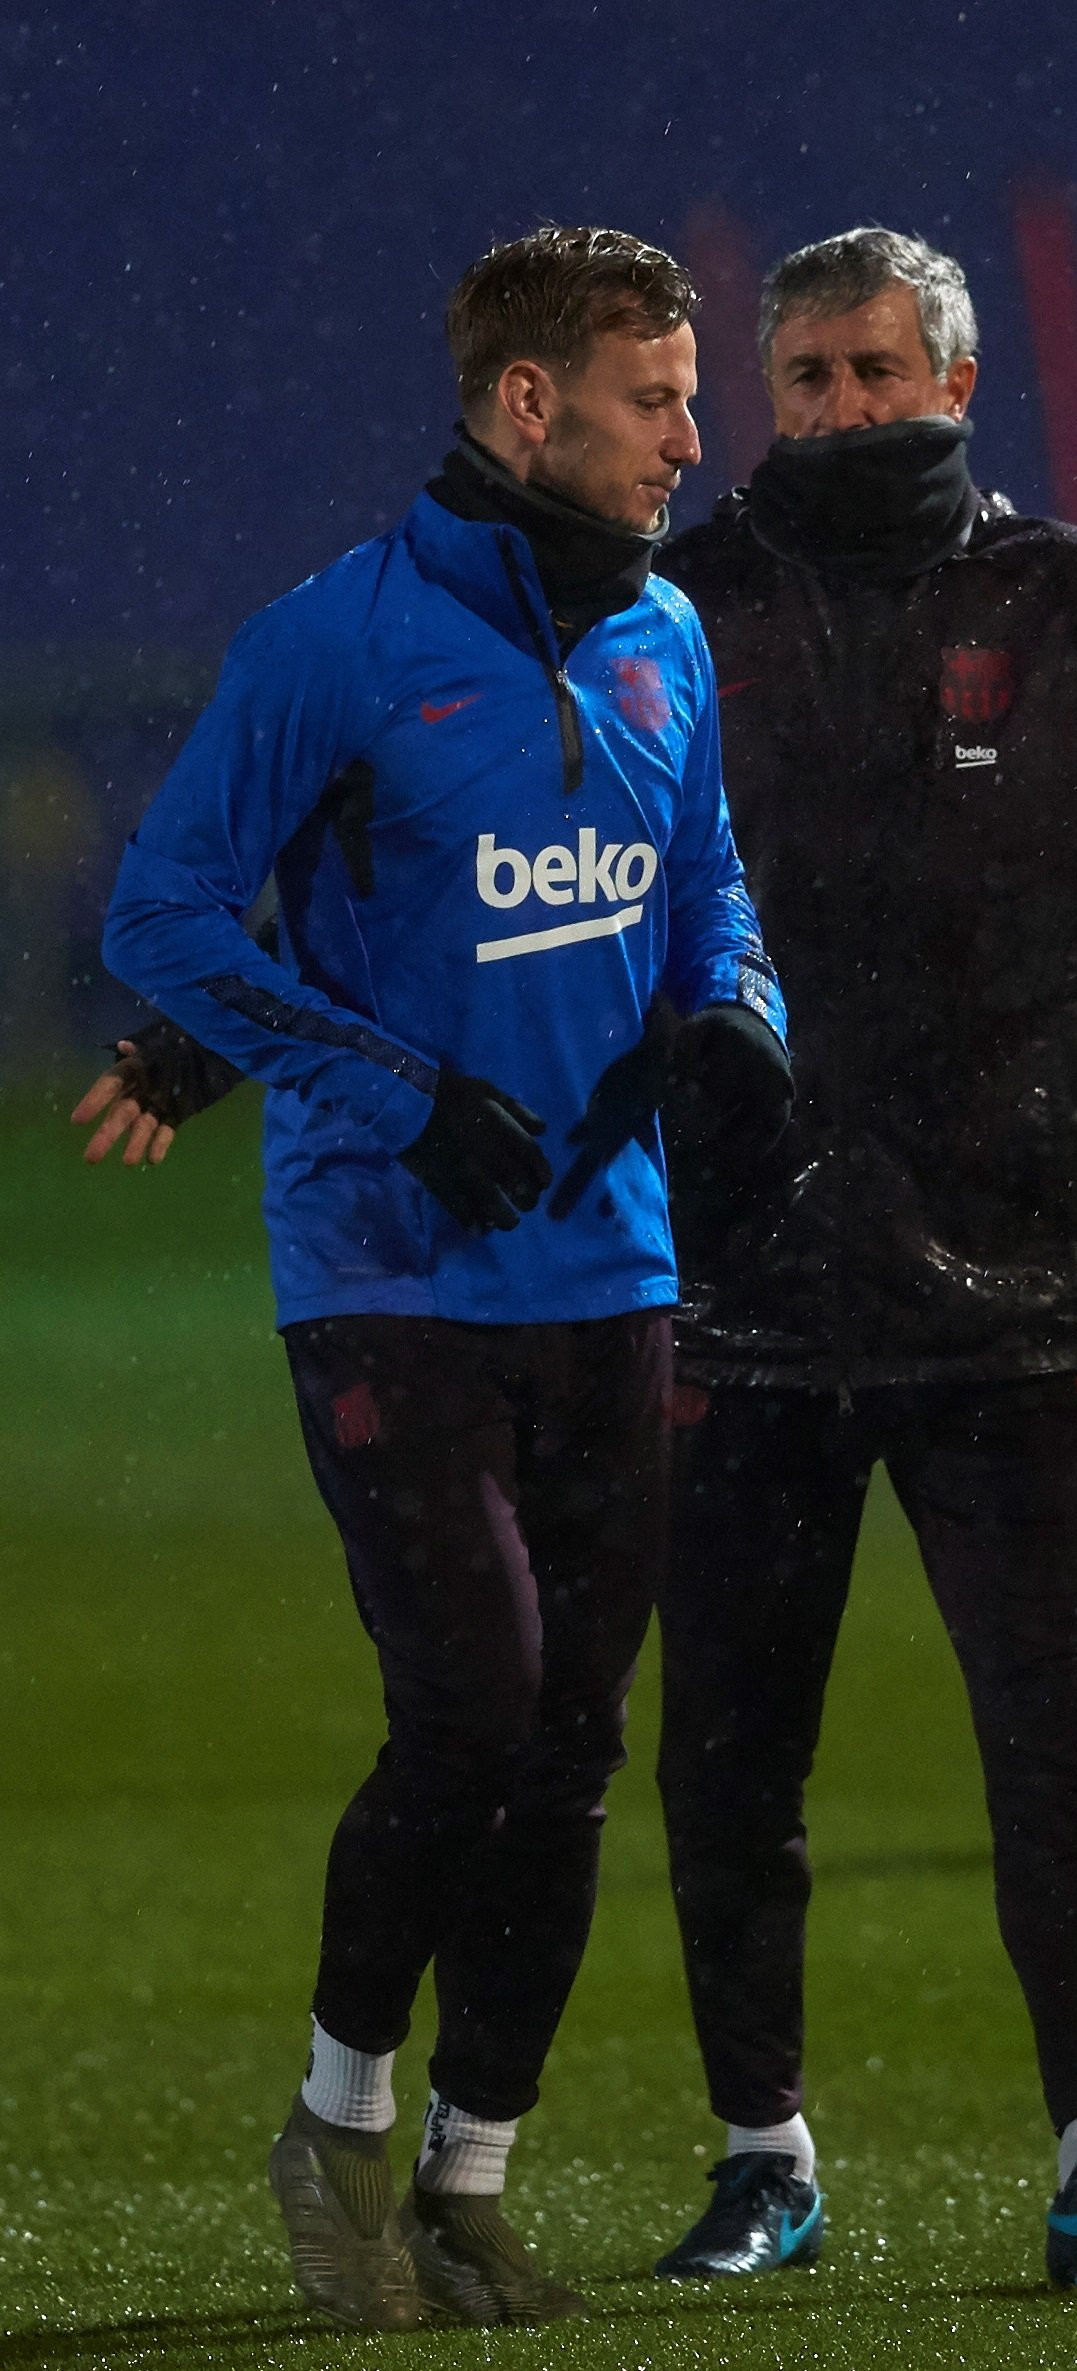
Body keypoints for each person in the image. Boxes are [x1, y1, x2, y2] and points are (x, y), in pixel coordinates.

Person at [80, 225, 1077, 2299]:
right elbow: (340, 887)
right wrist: (229, 1053)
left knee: (996, 1730)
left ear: (957, 385)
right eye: (793, 379)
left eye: (872, 372)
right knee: (633, 1742)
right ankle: (637, 2138)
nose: (816, 413)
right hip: (667, 1287)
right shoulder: (575, 610)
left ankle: (1029, 2143)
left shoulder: (1020, 609)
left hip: (958, 1271)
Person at [93, 224, 790, 2332]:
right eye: (654, 399)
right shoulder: (337, 638)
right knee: (468, 1708)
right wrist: (397, 1091)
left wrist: (739, 1016)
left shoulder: (669, 634)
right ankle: (336, 2119)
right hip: (388, 1267)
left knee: (573, 1740)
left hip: (615, 1271)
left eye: (691, 393)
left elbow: (706, 897)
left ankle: (475, 2179)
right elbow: (167, 920)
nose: (693, 435)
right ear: (525, 406)